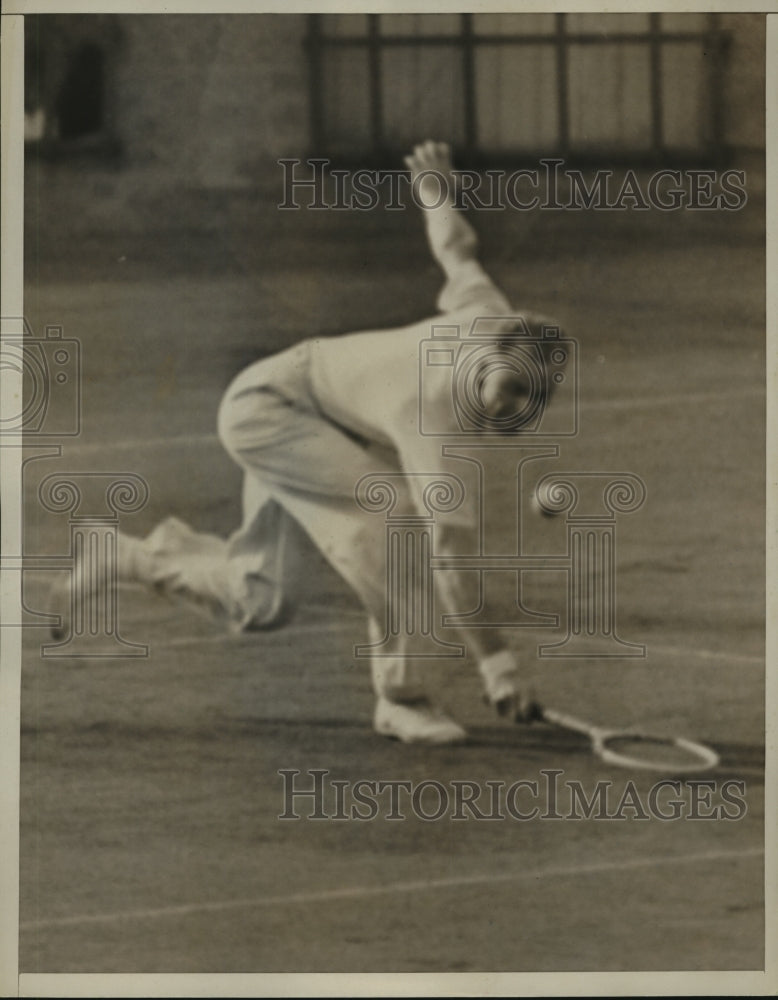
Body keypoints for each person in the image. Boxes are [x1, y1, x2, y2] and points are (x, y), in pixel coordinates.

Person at [53, 141, 564, 744]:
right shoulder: (433, 411)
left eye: (527, 398)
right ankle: (402, 698)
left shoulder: (493, 319)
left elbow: (458, 253)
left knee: (262, 600)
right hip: (270, 410)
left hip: (314, 422)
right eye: (505, 389)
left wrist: (435, 193)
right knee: (396, 527)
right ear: (486, 360)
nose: (507, 407)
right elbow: (449, 553)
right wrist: (497, 665)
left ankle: (122, 557)